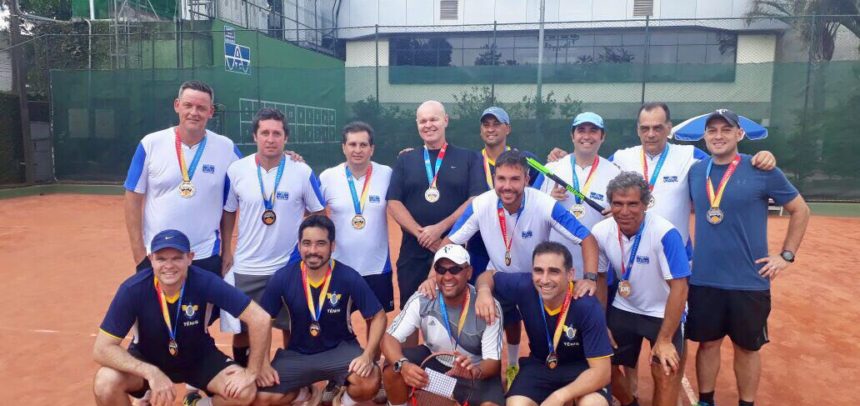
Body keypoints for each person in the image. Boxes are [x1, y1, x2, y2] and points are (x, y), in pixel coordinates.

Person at [425, 149, 600, 388]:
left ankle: (528, 367)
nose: (507, 186)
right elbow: (450, 243)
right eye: (501, 179)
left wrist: (590, 278)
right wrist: (431, 277)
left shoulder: (544, 203)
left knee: (547, 336)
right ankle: (492, 375)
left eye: (515, 179)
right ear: (494, 178)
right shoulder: (481, 204)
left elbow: (587, 238)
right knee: (492, 318)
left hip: (537, 282)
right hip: (498, 277)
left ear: (527, 179)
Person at [686, 109, 810, 406]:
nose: (718, 136)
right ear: (705, 136)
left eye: (726, 130)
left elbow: (801, 210)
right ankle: (706, 401)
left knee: (747, 348)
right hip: (704, 279)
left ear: (739, 134)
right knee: (708, 344)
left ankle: (746, 403)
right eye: (712, 130)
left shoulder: (761, 169)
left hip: (749, 281)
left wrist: (786, 255)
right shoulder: (695, 171)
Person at [92, 229, 271, 406]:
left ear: (190, 258)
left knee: (244, 392)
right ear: (151, 259)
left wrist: (252, 372)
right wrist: (150, 372)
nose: (169, 266)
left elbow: (260, 318)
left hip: (198, 358)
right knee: (105, 383)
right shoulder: (132, 290)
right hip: (147, 358)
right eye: (161, 259)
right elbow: (101, 348)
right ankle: (146, 393)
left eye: (177, 258)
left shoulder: (206, 282)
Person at [219, 108, 326, 368]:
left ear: (285, 138)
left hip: (288, 266)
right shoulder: (236, 170)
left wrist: (307, 249)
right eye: (264, 133)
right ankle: (245, 375)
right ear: (254, 136)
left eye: (276, 133)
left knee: (291, 326)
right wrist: (227, 251)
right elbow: (229, 211)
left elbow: (319, 213)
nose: (270, 139)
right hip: (247, 265)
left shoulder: (301, 171)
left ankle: (294, 379)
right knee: (243, 329)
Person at [255, 215, 387, 406]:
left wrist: (367, 355)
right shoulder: (282, 278)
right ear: (299, 245)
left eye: (320, 244)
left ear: (332, 246)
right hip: (298, 354)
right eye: (307, 243)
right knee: (261, 398)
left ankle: (343, 402)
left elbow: (379, 316)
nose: (313, 251)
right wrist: (263, 363)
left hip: (340, 350)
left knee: (370, 381)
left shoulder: (348, 277)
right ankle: (305, 392)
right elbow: (261, 320)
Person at [590, 172, 690, 406]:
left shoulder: (665, 233)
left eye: (632, 204)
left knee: (665, 371)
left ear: (645, 204)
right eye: (618, 203)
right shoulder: (601, 231)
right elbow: (601, 279)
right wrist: (602, 323)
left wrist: (665, 339)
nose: (624, 211)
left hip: (662, 311)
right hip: (625, 306)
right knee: (602, 365)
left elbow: (679, 287)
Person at [124, 80, 241, 275]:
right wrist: (139, 254)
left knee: (208, 298)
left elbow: (254, 173)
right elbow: (132, 198)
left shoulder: (227, 148)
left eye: (201, 108)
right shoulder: (150, 144)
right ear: (177, 105)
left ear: (211, 112)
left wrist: (286, 159)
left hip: (206, 254)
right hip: (160, 255)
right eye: (188, 105)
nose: (194, 112)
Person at [475, 242, 613, 405]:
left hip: (581, 368)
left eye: (554, 271)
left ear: (570, 274)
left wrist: (559, 397)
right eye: (538, 270)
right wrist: (483, 291)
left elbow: (602, 372)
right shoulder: (524, 286)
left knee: (593, 403)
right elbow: (489, 275)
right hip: (540, 365)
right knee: (517, 404)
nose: (545, 280)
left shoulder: (587, 305)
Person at [387, 100, 486, 316]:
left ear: (445, 121)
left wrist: (439, 230)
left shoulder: (469, 158)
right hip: (412, 252)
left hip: (454, 249)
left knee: (454, 313)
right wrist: (422, 234)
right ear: (417, 124)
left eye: (434, 119)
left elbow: (476, 199)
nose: (428, 125)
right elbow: (393, 202)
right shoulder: (405, 160)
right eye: (423, 121)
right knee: (410, 313)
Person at [381, 244, 505, 406]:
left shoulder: (487, 306)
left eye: (455, 270)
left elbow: (492, 362)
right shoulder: (423, 298)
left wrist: (475, 371)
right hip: (434, 362)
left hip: (474, 371)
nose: (447, 276)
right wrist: (403, 365)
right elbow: (389, 338)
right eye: (441, 269)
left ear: (469, 272)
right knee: (392, 369)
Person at [534, 112, 621, 280]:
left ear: (602, 137)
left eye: (593, 131)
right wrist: (548, 200)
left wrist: (616, 213)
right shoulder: (551, 169)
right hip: (555, 267)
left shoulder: (614, 173)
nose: (586, 136)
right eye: (581, 130)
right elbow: (531, 211)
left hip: (597, 267)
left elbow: (623, 214)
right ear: (572, 136)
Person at [319, 121, 395, 313]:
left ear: (372, 149)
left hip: (377, 266)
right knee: (335, 322)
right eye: (352, 144)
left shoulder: (387, 174)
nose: (358, 150)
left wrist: (408, 157)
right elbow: (312, 211)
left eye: (363, 145)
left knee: (377, 320)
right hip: (338, 266)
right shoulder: (328, 177)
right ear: (343, 147)